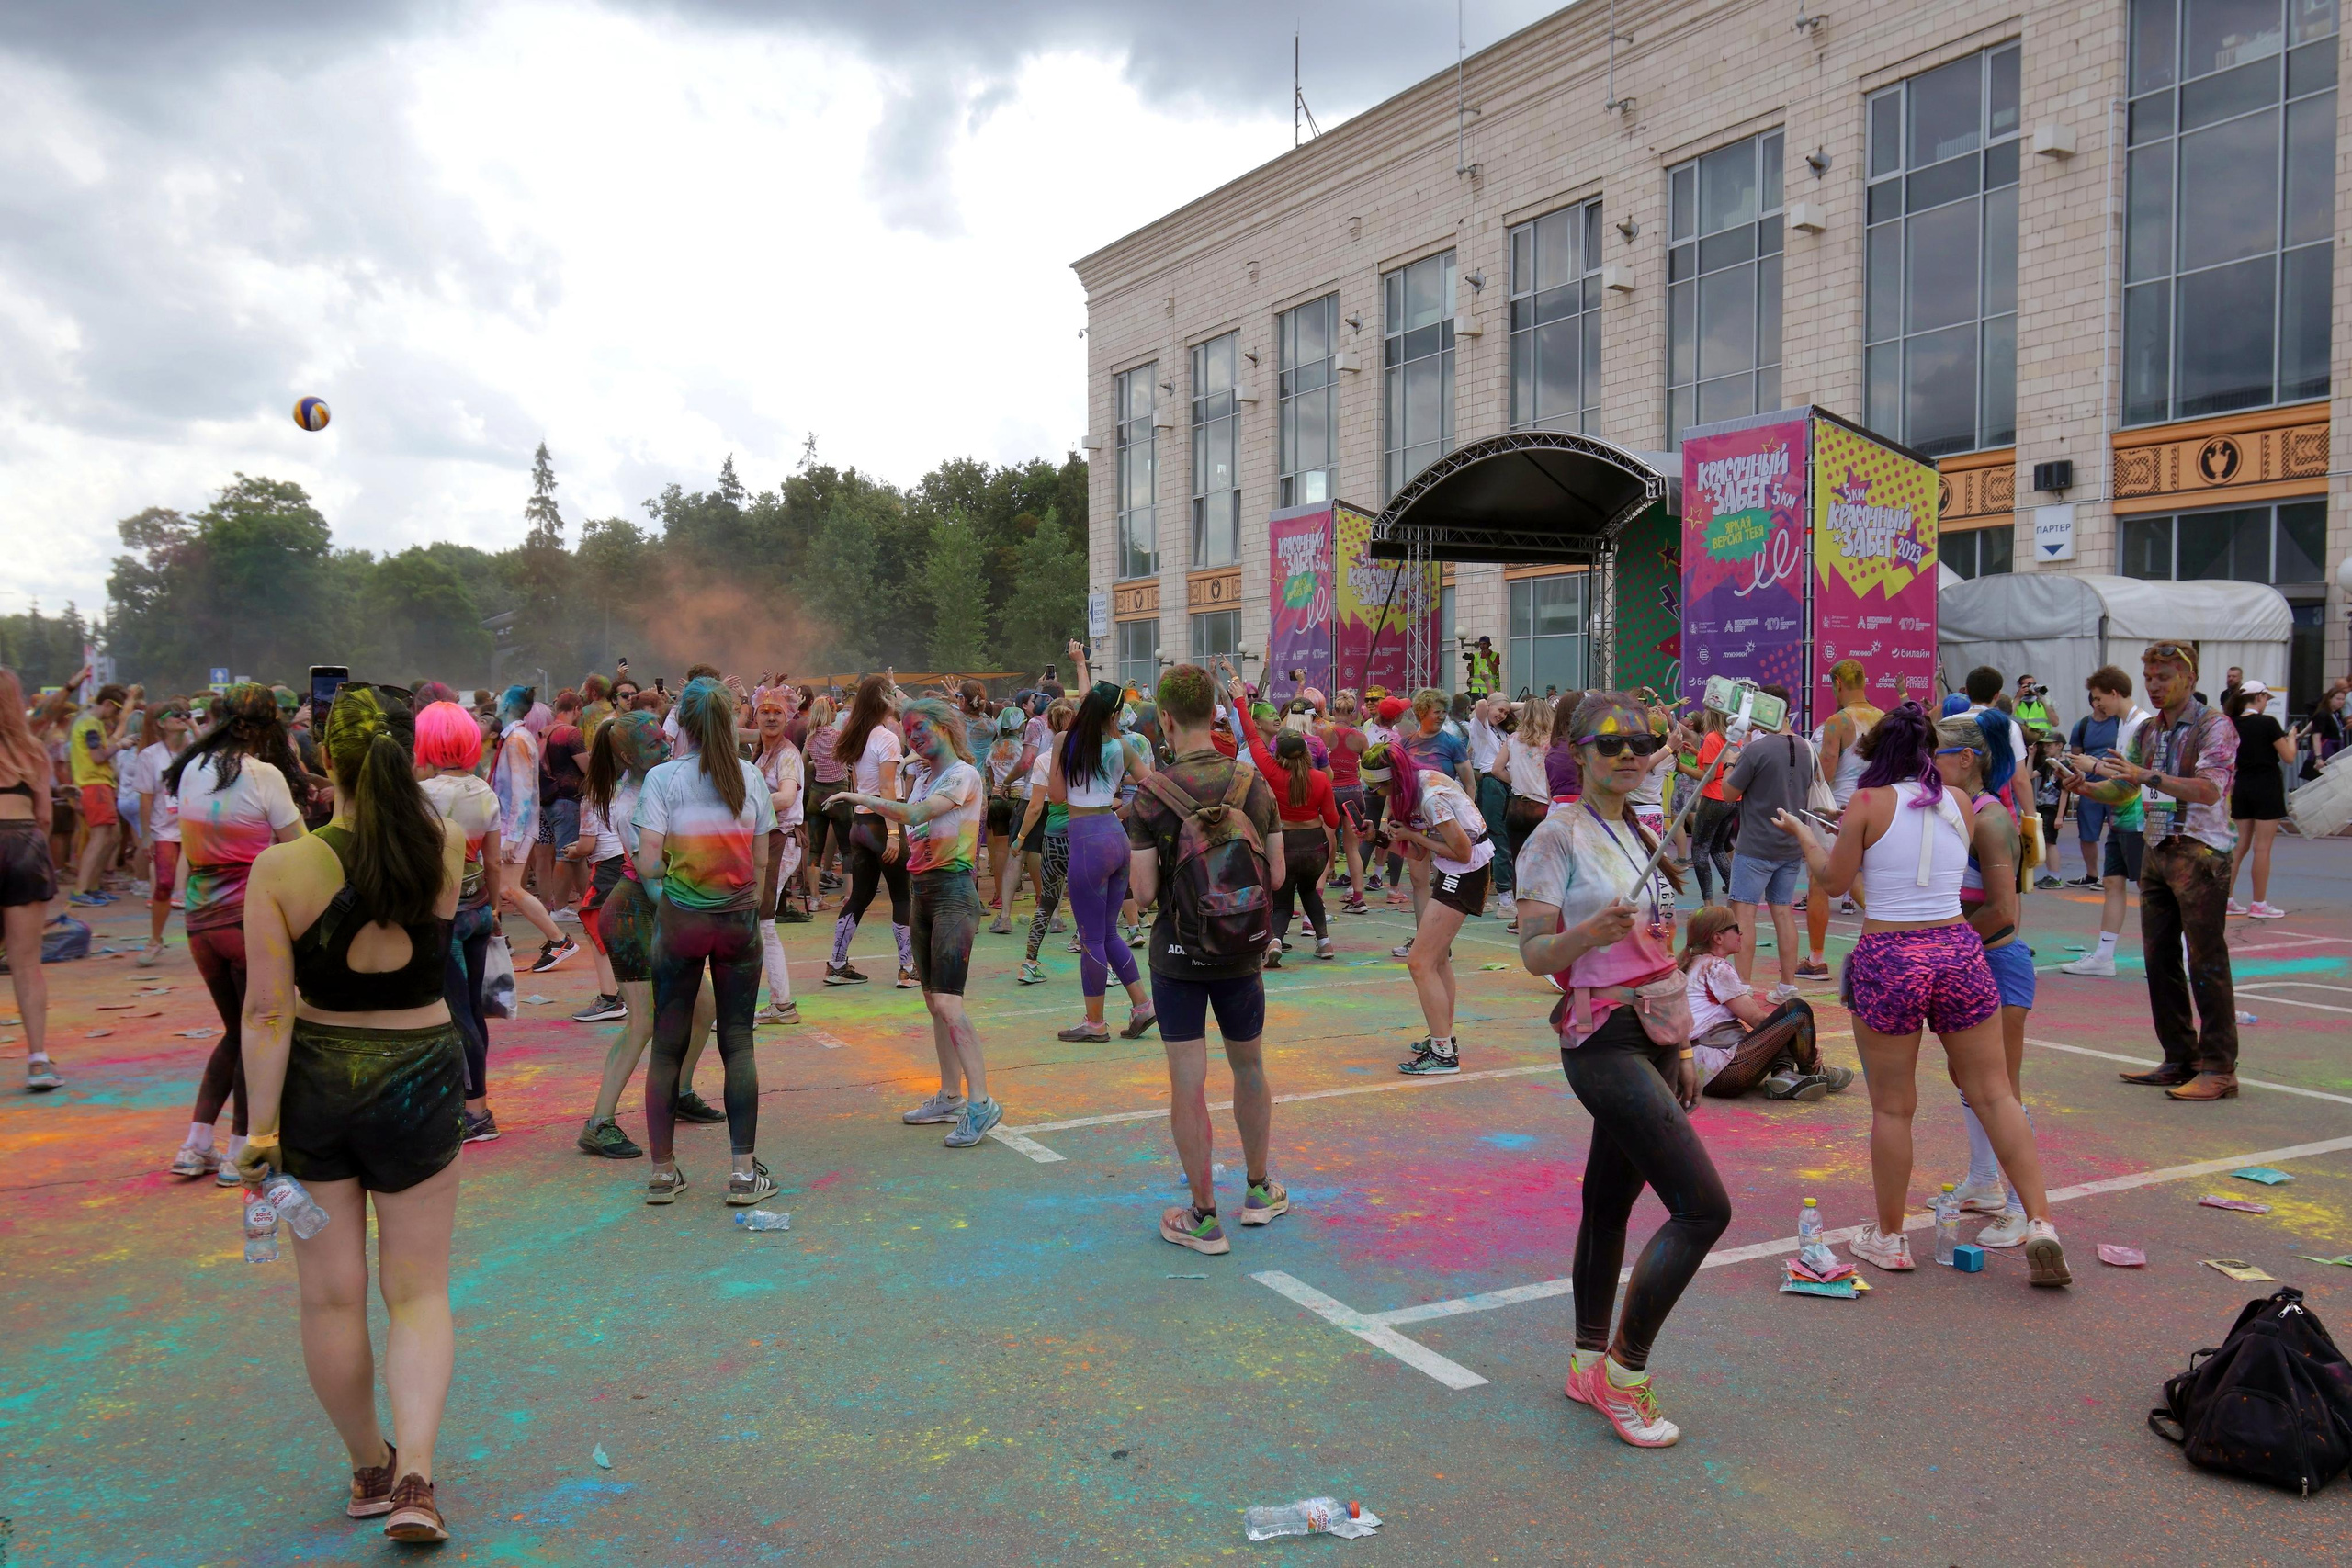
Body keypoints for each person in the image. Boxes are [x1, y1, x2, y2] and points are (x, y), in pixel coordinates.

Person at [235, 683, 469, 1541]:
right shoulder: (447, 844)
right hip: (422, 1073)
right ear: (402, 755)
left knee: (330, 1299)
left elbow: (266, 1013)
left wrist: (260, 1134)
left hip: (318, 1082)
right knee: (418, 1291)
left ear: (321, 761)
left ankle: (370, 1464)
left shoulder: (282, 868)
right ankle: (416, 1479)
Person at [1777, 703, 2069, 1285]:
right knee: (1995, 1094)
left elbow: (1834, 883)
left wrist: (1808, 836)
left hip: (1892, 956)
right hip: (1958, 952)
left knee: (1893, 1107)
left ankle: (1889, 1238)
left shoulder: (1864, 803)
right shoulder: (1959, 803)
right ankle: (2040, 1222)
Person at [1512, 692, 1722, 1447]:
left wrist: (1690, 1043)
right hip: (1605, 1038)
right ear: (1579, 751)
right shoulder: (1555, 836)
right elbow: (1535, 954)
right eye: (1612, 744)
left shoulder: (1634, 826)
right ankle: (1624, 1377)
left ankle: (1586, 1360)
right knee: (1704, 1207)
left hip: (1661, 1027)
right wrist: (1584, 936)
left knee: (1606, 1204)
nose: (1630, 754)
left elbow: (1662, 946)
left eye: (1642, 742)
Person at [1125, 663, 1287, 1256]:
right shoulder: (1251, 783)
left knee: (1188, 1085)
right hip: (1241, 951)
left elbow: (1143, 895)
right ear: (1216, 711)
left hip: (1177, 956)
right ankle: (1259, 1191)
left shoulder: (1151, 794)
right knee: (1248, 1068)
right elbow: (1275, 873)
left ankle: (1203, 1216)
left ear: (1165, 718)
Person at [2064, 642, 2242, 1100]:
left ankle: (2220, 1067)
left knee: (2206, 960)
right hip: (2158, 847)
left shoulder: (2213, 726)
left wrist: (2146, 777)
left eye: (2164, 676)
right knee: (2158, 959)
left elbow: (2209, 790)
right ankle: (2181, 1057)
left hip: (2201, 853)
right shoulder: (2150, 731)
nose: (2155, 686)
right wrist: (2087, 787)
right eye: (2150, 677)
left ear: (2191, 676)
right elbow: (2126, 790)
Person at [634, 679, 778, 1206]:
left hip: (680, 920)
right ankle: (743, 1173)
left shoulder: (662, 779)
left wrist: (673, 872)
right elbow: (763, 863)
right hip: (738, 920)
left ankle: (662, 1172)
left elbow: (648, 861)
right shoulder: (751, 778)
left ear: (682, 723)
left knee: (668, 1044)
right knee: (737, 1041)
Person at [841, 698, 1005, 1147]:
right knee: (935, 1004)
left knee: (950, 1005)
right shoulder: (928, 774)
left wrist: (860, 796)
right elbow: (916, 809)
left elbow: (914, 816)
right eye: (907, 729)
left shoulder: (961, 776)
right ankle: (950, 1096)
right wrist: (914, 749)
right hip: (924, 893)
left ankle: (981, 1103)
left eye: (920, 729)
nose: (912, 736)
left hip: (953, 892)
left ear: (947, 728)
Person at [164, 685, 308, 1182]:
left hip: (199, 922)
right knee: (257, 1033)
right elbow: (301, 851)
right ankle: (238, 1149)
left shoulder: (191, 768)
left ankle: (195, 1143)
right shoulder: (262, 774)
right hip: (249, 922)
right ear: (270, 727)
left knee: (235, 1029)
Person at [576, 711, 721, 1156]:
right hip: (633, 914)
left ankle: (679, 1092)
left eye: (664, 738)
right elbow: (653, 880)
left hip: (657, 909)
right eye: (653, 743)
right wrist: (697, 916)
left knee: (705, 1007)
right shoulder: (628, 804)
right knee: (642, 1023)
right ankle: (599, 1123)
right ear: (625, 754)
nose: (664, 746)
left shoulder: (659, 784)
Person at [1930, 710, 2042, 1250]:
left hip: (1996, 962)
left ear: (1967, 758)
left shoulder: (1992, 819)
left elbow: (2004, 911)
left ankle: (2023, 1207)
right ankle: (1984, 1181)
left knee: (2002, 1089)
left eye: (1939, 754)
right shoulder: (1960, 810)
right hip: (1971, 960)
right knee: (1965, 1077)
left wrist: (1949, 944)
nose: (1930, 763)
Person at [1363, 738, 1491, 1076]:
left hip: (1467, 870)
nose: (1377, 796)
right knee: (1436, 960)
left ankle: (1443, 1053)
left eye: (1379, 788)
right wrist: (1388, 838)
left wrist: (1412, 836)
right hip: (1456, 871)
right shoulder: (1411, 787)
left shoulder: (1430, 797)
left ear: (1394, 779)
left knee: (1419, 961)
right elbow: (1420, 853)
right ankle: (1443, 1038)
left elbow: (1462, 852)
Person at [1047, 678, 1159, 1041]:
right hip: (1115, 835)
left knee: (1091, 938)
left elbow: (1057, 796)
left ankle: (1095, 1023)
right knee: (1109, 933)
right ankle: (1143, 1006)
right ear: (1113, 713)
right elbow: (1152, 786)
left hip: (1086, 841)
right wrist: (1124, 811)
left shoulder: (1065, 741)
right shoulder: (1122, 746)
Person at [1678, 905, 1849, 1100]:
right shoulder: (1715, 967)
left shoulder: (1690, 964)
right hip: (1723, 1070)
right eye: (1735, 927)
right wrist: (1807, 1049)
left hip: (1701, 1071)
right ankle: (1814, 1071)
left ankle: (1784, 1077)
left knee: (1776, 1026)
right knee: (1797, 1010)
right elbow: (1757, 1019)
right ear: (1718, 937)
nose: (1740, 933)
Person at [1717, 689, 1810, 1002]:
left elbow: (1729, 793)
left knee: (1744, 912)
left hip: (1756, 842)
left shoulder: (1757, 750)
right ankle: (1787, 984)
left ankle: (1743, 983)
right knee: (1782, 912)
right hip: (1791, 843)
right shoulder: (1806, 746)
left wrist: (1730, 763)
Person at [825, 673, 915, 988]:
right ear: (883, 700)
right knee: (902, 897)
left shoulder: (858, 737)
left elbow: (863, 785)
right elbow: (888, 788)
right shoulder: (886, 738)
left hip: (859, 825)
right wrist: (893, 833)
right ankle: (907, 968)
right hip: (881, 825)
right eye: (890, 693)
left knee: (859, 898)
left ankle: (836, 963)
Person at [0, 670, 62, 1091]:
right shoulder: (31, 750)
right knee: (26, 963)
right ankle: (38, 1060)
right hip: (22, 845)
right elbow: (45, 818)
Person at [1802, 659, 1883, 976]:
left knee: (1820, 881)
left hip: (1837, 810)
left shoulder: (1837, 723)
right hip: (1875, 805)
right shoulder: (1884, 719)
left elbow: (1826, 773)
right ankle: (1891, 929)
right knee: (1862, 878)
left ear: (1838, 683)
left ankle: (1816, 959)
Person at [1239, 712, 1340, 965]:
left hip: (1283, 844)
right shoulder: (1320, 779)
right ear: (1307, 754)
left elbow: (1252, 737)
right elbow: (1333, 821)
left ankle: (1275, 941)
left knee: (1282, 901)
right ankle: (1324, 942)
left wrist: (1240, 699)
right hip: (1316, 845)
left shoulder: (1272, 773)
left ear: (1279, 754)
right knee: (1309, 891)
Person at [489, 687, 575, 975]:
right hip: (513, 826)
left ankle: (558, 939)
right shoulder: (516, 737)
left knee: (508, 888)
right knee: (504, 887)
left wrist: (512, 836)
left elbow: (523, 792)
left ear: (507, 706)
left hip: (516, 827)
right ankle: (498, 939)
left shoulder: (516, 740)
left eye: (501, 700)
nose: (497, 704)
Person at [749, 687, 807, 1026]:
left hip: (780, 843)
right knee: (762, 924)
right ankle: (781, 1004)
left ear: (787, 718)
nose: (771, 718)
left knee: (762, 924)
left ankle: (778, 1005)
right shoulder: (763, 752)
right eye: (764, 712)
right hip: (766, 843)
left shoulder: (787, 754)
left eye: (778, 713)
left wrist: (742, 808)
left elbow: (785, 798)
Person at [1012, 698, 1077, 985]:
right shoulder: (1087, 754)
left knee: (1047, 902)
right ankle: (1105, 966)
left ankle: (1029, 962)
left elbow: (1036, 806)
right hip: (1083, 833)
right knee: (1087, 901)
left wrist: (1021, 838)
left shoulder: (1043, 760)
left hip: (1053, 837)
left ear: (1048, 725)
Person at [2224, 681, 2295, 919]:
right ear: (2260, 697)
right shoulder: (2268, 723)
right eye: (2266, 699)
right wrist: (2292, 738)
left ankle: (2226, 898)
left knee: (2238, 846)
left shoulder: (2232, 723)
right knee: (2262, 847)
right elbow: (2288, 757)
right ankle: (2259, 903)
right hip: (2266, 786)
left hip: (2242, 786)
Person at [130, 702, 192, 967]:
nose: (182, 718)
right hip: (164, 828)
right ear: (160, 723)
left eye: (185, 714)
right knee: (165, 883)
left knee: (205, 886)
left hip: (194, 827)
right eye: (175, 715)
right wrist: (146, 836)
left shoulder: (195, 750)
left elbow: (218, 757)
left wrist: (195, 727)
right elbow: (145, 799)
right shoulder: (150, 756)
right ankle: (155, 939)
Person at [67, 682, 139, 905]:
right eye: (116, 710)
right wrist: (121, 745)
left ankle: (92, 886)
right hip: (94, 785)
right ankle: (81, 891)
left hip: (100, 784)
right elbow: (98, 757)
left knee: (113, 837)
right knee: (99, 839)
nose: (115, 716)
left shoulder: (91, 722)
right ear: (107, 704)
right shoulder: (91, 724)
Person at [534, 689, 590, 922]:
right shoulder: (571, 733)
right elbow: (585, 766)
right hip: (568, 799)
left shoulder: (544, 732)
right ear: (576, 709)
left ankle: (588, 901)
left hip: (548, 800)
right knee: (566, 855)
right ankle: (560, 908)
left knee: (574, 854)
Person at [1320, 690, 1373, 913]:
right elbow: (1369, 766)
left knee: (1324, 846)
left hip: (1329, 792)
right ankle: (1358, 898)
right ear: (1353, 714)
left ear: (1333, 711)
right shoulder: (1361, 738)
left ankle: (1318, 898)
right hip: (1353, 792)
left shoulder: (1323, 733)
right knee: (1352, 848)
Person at [1467, 694, 1517, 919]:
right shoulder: (1481, 727)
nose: (1503, 715)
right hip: (1492, 784)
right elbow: (1480, 705)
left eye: (1506, 713)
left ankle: (1481, 895)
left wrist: (1505, 704)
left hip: (1503, 785)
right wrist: (1496, 702)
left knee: (1493, 840)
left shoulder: (1502, 731)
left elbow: (1531, 708)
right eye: (1499, 710)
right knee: (1498, 839)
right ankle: (1505, 900)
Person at [1680, 711, 1737, 903]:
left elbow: (1709, 775)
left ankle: (1708, 904)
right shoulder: (1733, 738)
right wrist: (1698, 754)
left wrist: (1680, 767)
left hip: (1713, 797)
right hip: (1732, 798)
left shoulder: (1712, 738)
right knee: (1718, 847)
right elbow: (1719, 764)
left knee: (1699, 851)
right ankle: (1734, 889)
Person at [801, 694, 846, 903]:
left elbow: (803, 765)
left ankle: (815, 899)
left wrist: (815, 765)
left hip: (817, 795)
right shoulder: (839, 736)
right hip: (839, 793)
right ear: (829, 713)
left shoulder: (810, 739)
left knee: (815, 850)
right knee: (847, 849)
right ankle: (849, 896)